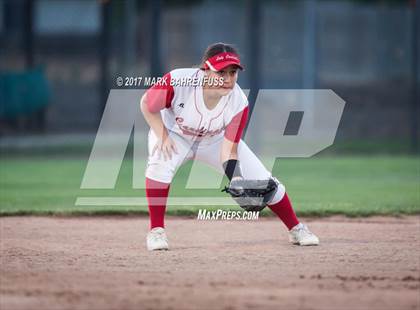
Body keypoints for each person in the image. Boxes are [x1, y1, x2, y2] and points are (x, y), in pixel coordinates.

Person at [140, 42, 319, 251]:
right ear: (205, 70)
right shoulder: (179, 81)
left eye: (233, 72)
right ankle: (156, 231)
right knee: (159, 164)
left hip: (214, 139)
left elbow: (229, 150)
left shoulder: (238, 102)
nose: (227, 79)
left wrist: (236, 178)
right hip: (174, 135)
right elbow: (147, 104)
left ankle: (296, 228)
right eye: (221, 72)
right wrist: (161, 134)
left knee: (263, 179)